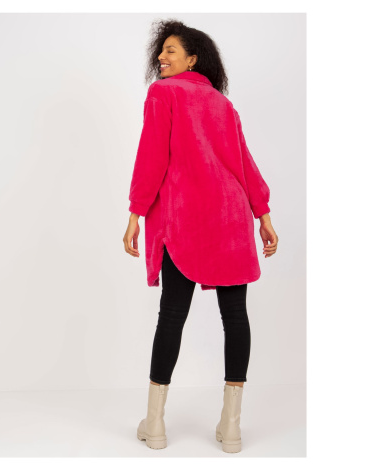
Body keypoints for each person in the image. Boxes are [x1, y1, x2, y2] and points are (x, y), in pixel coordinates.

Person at [123, 20, 278, 452]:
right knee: (236, 317)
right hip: (231, 219)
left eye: (170, 50)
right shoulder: (222, 104)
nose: (161, 57)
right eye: (161, 50)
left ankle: (155, 423)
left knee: (172, 315)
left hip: (185, 220)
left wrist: (136, 212)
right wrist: (262, 214)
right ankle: (232, 426)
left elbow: (151, 157)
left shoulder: (163, 93)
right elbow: (244, 163)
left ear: (193, 58)